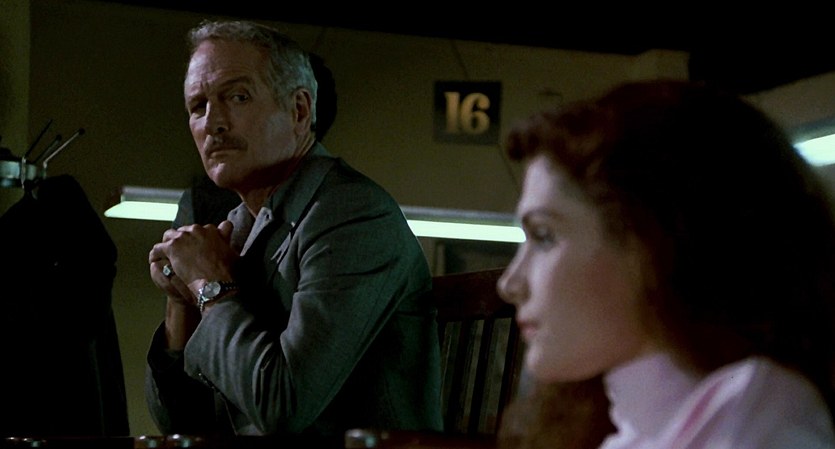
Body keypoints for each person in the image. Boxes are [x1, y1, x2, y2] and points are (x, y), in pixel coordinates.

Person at [145, 19, 442, 443]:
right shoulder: (242, 223)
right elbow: (180, 423)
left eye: (237, 96)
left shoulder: (351, 214)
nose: (213, 123)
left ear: (299, 110)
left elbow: (283, 405)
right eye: (198, 106)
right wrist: (182, 299)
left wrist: (210, 286)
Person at [495, 79, 835, 449]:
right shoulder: (619, 426)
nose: (509, 283)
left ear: (651, 242)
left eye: (544, 236)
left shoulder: (755, 418)